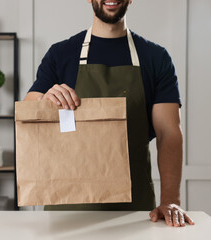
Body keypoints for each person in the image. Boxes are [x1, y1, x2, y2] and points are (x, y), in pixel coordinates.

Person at [24, 0, 195, 227]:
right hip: (67, 209)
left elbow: (168, 133)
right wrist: (45, 99)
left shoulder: (155, 57)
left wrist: (171, 201)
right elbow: (28, 108)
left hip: (135, 212)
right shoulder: (61, 54)